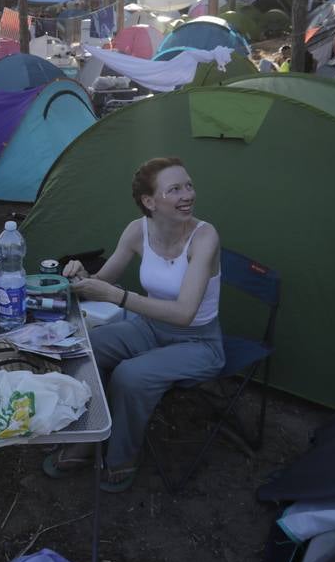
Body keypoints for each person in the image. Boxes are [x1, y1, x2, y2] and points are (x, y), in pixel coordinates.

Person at [42, 158, 223, 493]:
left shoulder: (204, 237)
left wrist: (118, 297)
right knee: (85, 350)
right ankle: (87, 437)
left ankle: (123, 455)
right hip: (149, 327)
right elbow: (102, 280)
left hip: (197, 342)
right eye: (174, 189)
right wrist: (82, 278)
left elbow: (185, 313)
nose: (187, 195)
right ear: (149, 202)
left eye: (188, 185)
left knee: (130, 375)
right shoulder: (137, 230)